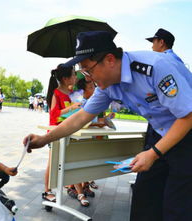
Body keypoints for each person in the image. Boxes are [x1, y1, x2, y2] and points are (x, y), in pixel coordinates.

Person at [23, 31, 192, 221]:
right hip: (159, 131)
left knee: (178, 206)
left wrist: (153, 153)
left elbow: (188, 116)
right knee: (144, 201)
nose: (87, 77)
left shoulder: (155, 67)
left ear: (110, 59)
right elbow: (81, 117)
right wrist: (44, 139)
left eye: (88, 69)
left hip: (186, 132)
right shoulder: (108, 86)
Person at [43, 64, 90, 207]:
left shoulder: (71, 93)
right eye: (73, 75)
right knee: (52, 163)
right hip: (55, 133)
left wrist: (85, 73)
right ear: (65, 78)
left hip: (68, 131)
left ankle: (79, 192)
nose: (76, 78)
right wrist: (71, 108)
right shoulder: (56, 93)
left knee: (70, 161)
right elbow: (54, 114)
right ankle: (47, 191)